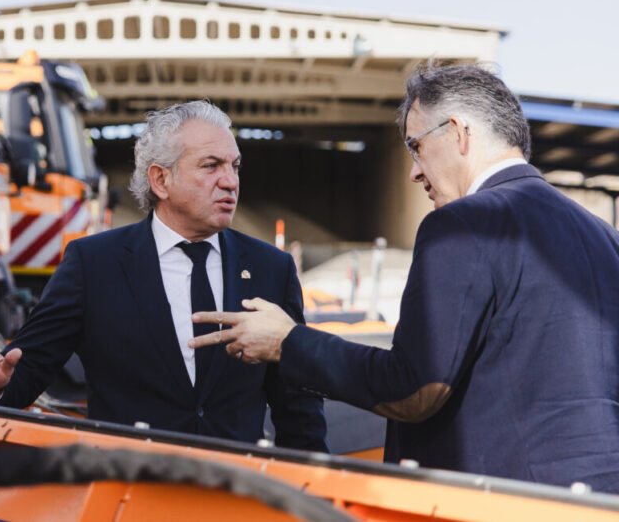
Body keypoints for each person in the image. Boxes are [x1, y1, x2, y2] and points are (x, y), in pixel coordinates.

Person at [190, 62, 619, 491]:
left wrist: (288, 342)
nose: (414, 171)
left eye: (416, 146)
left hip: (500, 501)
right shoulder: (604, 237)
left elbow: (414, 387)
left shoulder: (463, 223)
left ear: (458, 132)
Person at [0, 100, 327, 449]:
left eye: (235, 166)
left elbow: (298, 406)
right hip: (126, 487)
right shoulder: (93, 264)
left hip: (237, 489)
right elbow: (28, 370)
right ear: (160, 180)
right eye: (211, 166)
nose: (230, 181)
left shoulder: (271, 268)